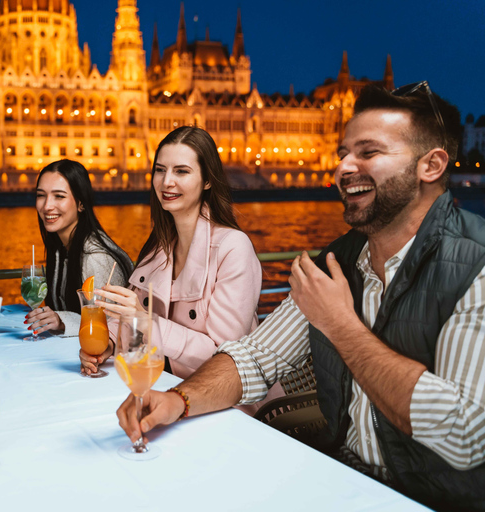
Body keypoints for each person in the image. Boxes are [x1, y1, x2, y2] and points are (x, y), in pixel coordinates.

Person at [116, 84, 485, 510]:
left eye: (369, 152)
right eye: (343, 152)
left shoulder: (473, 266)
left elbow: (464, 437)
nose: (345, 166)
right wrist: (177, 401)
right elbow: (255, 358)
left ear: (431, 165)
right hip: (338, 480)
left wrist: (340, 325)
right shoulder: (338, 261)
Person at [86, 127, 271, 392]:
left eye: (181, 171)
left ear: (207, 180)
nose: (166, 182)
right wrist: (108, 345)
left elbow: (226, 358)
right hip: (163, 387)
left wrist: (146, 322)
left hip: (224, 400)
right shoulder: (158, 245)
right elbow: (128, 321)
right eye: (160, 170)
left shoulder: (233, 248)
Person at [26, 159, 133, 336]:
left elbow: (109, 324)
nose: (46, 206)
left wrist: (61, 321)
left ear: (81, 203)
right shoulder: (61, 247)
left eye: (59, 196)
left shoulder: (96, 258)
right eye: (41, 195)